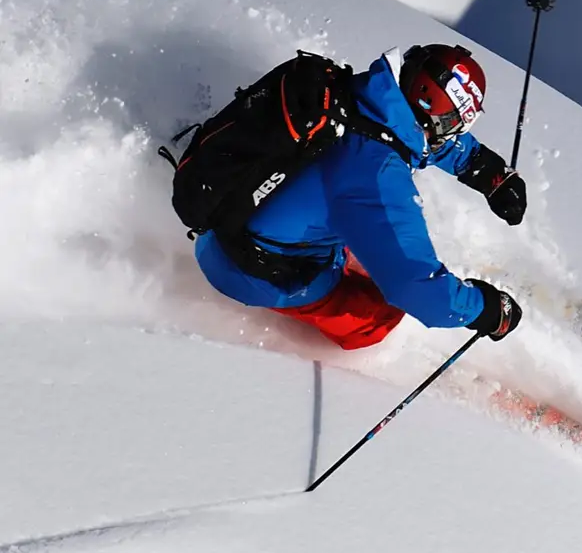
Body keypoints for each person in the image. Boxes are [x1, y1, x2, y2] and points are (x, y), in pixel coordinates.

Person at [193, 44, 529, 350]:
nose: (453, 137)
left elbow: (415, 131)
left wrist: (488, 173)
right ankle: (298, 351)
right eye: (456, 127)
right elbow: (417, 288)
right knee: (382, 315)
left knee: (365, 232)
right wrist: (486, 309)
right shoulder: (378, 178)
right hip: (248, 270)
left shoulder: (368, 95)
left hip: (230, 210)